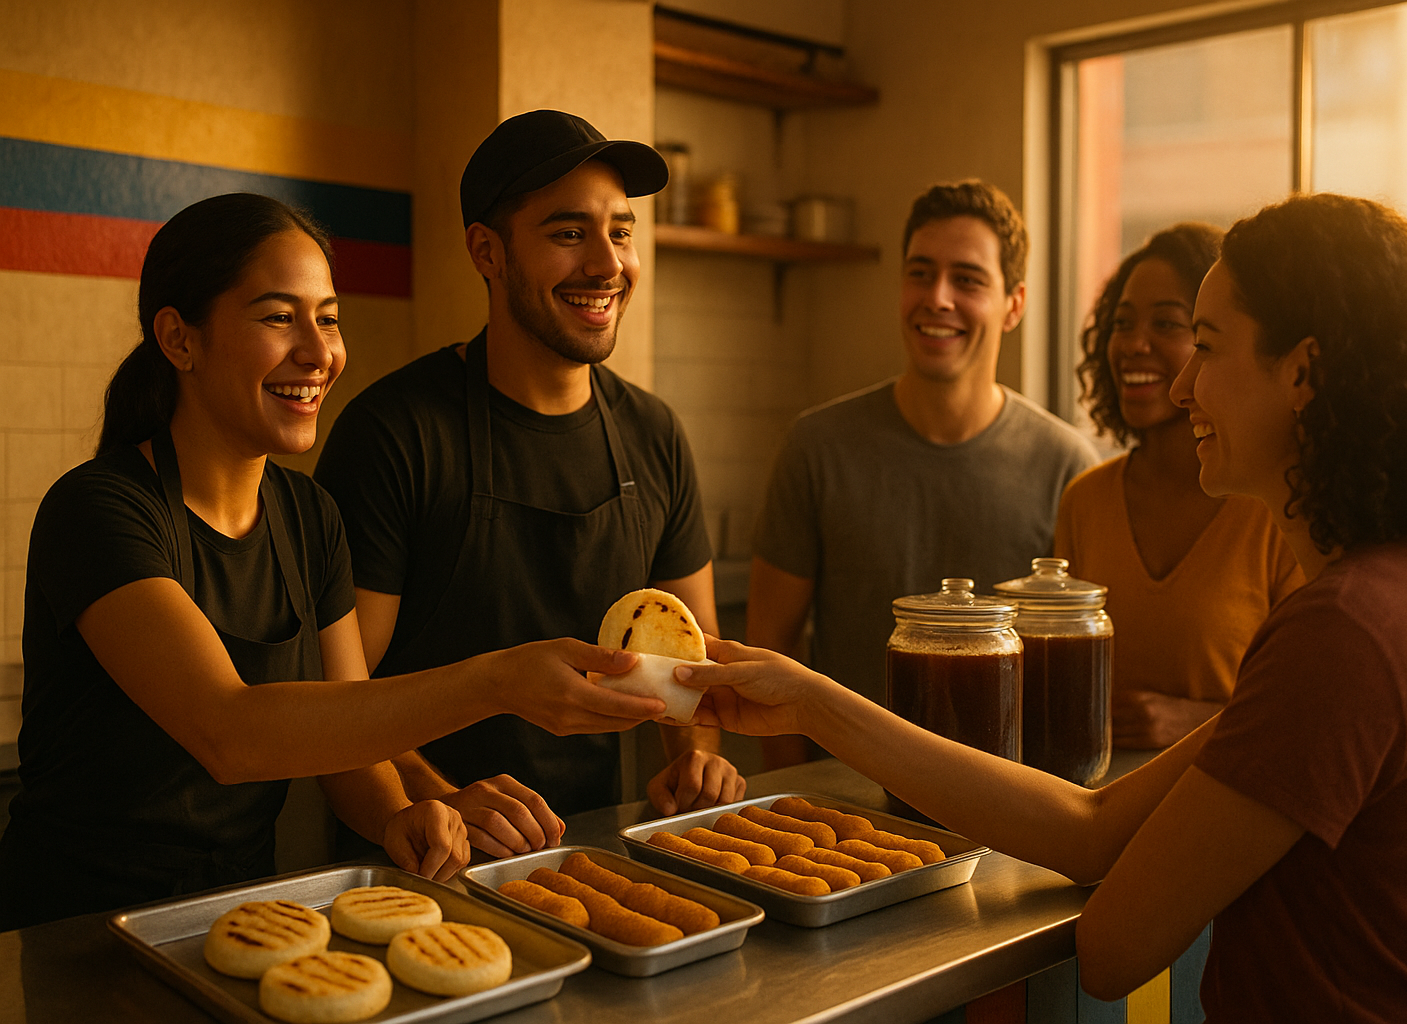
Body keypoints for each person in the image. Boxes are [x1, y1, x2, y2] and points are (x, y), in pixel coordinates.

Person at [681, 192, 1407, 1021]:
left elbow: (1116, 947)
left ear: (1302, 373)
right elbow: (1091, 826)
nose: (1183, 385)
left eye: (1205, 346)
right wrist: (815, 701)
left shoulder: (1344, 630)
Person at [0, 193, 658, 930]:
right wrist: (499, 680)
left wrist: (401, 812)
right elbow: (231, 732)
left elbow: (350, 739)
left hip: (233, 922)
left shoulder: (309, 516)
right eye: (279, 318)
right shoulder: (99, 510)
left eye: (329, 318)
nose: (319, 354)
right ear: (180, 340)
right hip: (72, 938)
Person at [313, 110, 743, 840]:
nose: (607, 265)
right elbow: (336, 699)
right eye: (569, 234)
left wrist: (696, 757)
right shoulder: (394, 434)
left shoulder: (654, 434)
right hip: (421, 860)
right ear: (488, 251)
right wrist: (441, 802)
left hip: (591, 857)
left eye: (621, 232)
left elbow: (690, 665)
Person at [748, 180, 1099, 762]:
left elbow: (1078, 680)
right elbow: (769, 650)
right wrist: (795, 796)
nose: (937, 297)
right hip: (843, 794)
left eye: (968, 279)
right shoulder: (817, 446)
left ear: (1014, 304)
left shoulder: (1067, 466)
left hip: (1008, 795)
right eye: (920, 273)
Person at [1055, 224, 1303, 749]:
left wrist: (1196, 722)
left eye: (1167, 323)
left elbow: (1313, 711)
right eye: (1121, 324)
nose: (1133, 344)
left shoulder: (1279, 510)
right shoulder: (1085, 500)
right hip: (1087, 790)